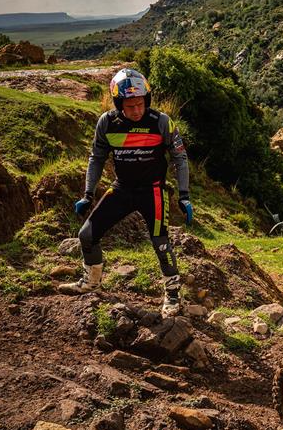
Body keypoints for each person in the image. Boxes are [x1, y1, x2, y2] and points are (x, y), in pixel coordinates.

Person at [59, 69, 193, 317]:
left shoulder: (162, 122)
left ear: (147, 100)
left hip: (153, 190)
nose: (136, 110)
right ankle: (91, 282)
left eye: (140, 104)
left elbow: (180, 158)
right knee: (87, 234)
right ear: (119, 104)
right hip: (121, 188)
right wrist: (88, 194)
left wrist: (184, 195)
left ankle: (173, 295)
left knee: (160, 243)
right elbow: (96, 158)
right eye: (129, 106)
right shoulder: (107, 123)